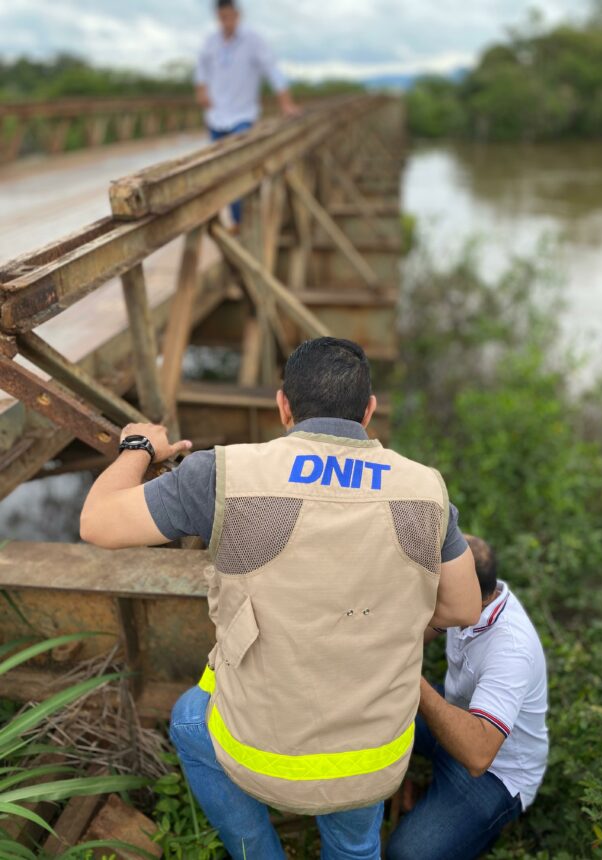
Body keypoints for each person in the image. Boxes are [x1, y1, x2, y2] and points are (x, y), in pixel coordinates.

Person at [79, 337, 481, 860]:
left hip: (256, 755)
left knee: (187, 720)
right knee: (355, 843)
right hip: (374, 758)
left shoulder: (223, 475)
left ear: (283, 406)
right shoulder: (427, 491)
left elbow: (97, 523)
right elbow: (462, 609)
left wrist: (139, 448)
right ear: (369, 412)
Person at [386, 535, 549, 860]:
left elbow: (477, 755)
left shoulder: (511, 651)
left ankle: (473, 824)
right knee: (371, 704)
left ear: (465, 589)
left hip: (494, 768)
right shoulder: (476, 595)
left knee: (408, 855)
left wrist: (408, 677)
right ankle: (397, 786)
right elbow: (417, 633)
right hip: (457, 714)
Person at [195, 0, 298, 225]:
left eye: (230, 17)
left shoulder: (253, 40)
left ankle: (242, 223)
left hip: (243, 116)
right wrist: (201, 91)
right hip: (216, 117)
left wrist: (286, 104)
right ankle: (237, 224)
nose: (226, 21)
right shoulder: (211, 42)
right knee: (220, 172)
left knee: (238, 169)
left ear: (238, 15)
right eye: (222, 17)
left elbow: (273, 71)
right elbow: (201, 70)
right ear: (218, 17)